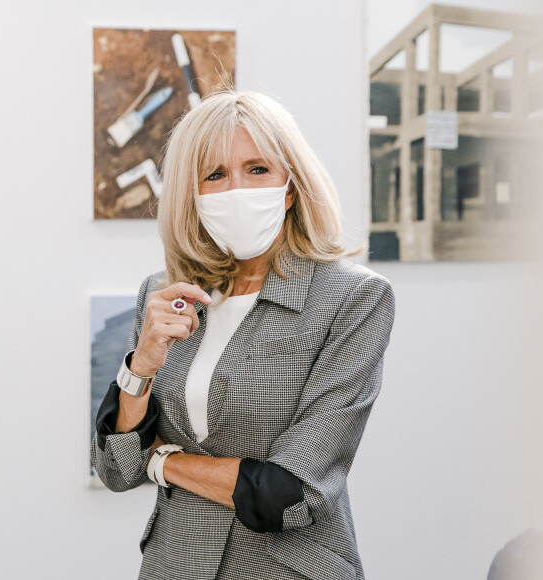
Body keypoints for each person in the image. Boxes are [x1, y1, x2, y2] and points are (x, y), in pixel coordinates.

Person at [91, 89, 396, 580]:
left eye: (257, 169)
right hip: (175, 563)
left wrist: (163, 461)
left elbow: (293, 494)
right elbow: (117, 469)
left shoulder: (351, 298)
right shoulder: (165, 293)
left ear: (290, 186)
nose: (238, 189)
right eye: (215, 175)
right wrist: (141, 366)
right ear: (192, 194)